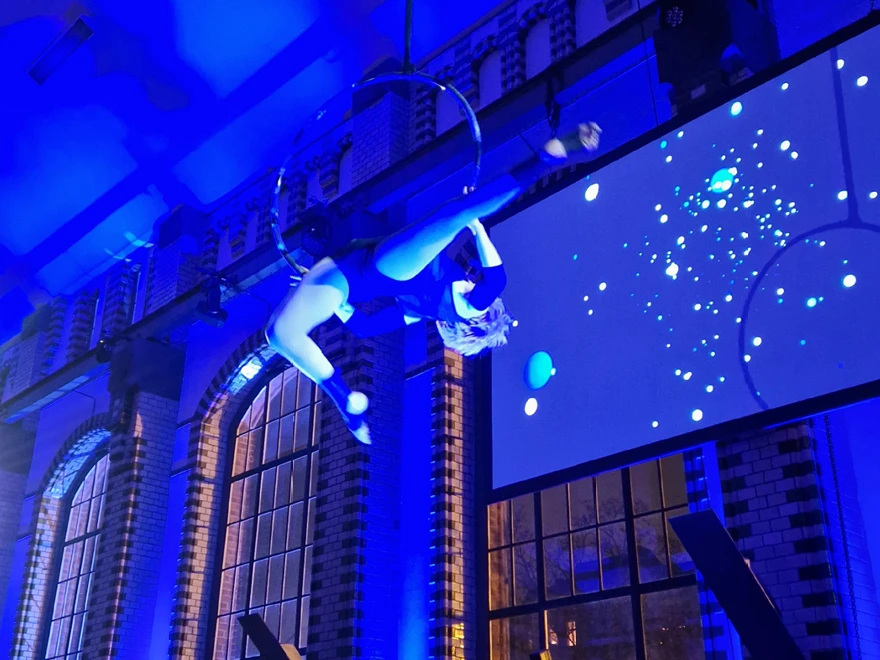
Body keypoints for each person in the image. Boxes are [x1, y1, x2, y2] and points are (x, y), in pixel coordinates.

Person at [267, 123, 602, 443]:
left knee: (454, 215)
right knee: (279, 334)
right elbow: (364, 327)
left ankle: (544, 160)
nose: (472, 283)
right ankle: (347, 403)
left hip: (382, 269)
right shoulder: (423, 312)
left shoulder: (469, 307)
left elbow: (496, 280)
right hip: (348, 273)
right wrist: (334, 302)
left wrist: (476, 227)